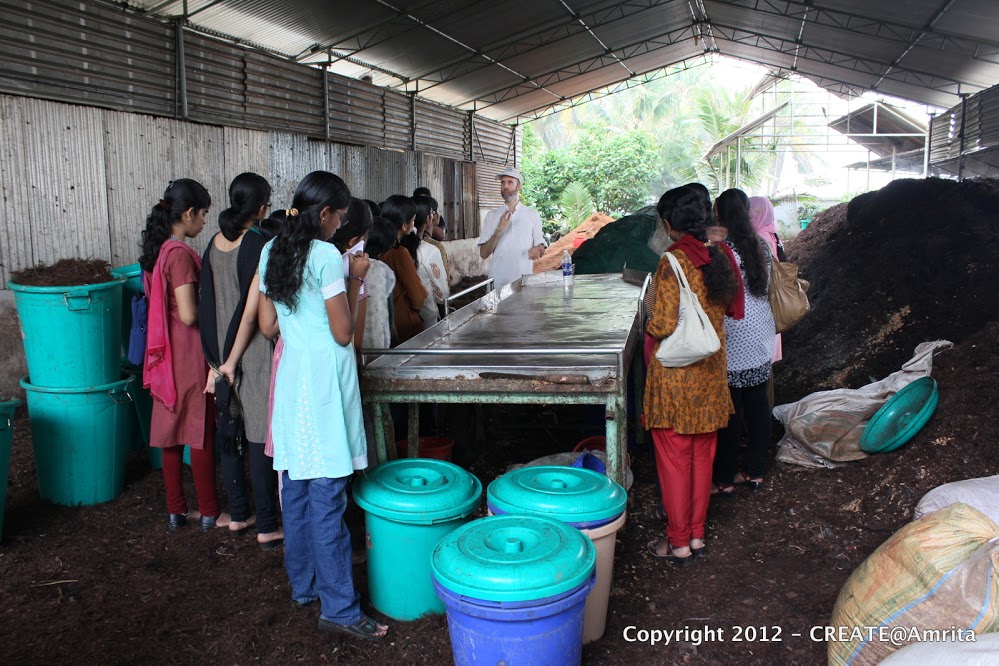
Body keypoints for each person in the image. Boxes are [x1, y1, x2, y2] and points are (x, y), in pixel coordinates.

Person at [257, 171, 388, 641]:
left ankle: (305, 587)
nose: (341, 224)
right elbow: (342, 332)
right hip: (326, 383)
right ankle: (340, 608)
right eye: (340, 215)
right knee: (327, 498)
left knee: (294, 492)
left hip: (293, 382)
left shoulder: (272, 250)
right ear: (326, 213)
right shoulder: (328, 256)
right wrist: (355, 280)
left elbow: (268, 325)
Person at [644, 186, 743, 565]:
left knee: (674, 461)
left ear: (671, 223)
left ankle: (678, 542)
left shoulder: (674, 261)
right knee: (703, 459)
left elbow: (664, 323)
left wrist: (648, 317)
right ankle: (697, 536)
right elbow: (731, 309)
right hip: (711, 374)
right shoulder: (719, 254)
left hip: (677, 379)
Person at [198, 172, 283, 549]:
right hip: (253, 353)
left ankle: (238, 513)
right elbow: (254, 314)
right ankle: (266, 523)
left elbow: (206, 306)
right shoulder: (261, 243)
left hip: (219, 355)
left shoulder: (211, 245)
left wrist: (214, 361)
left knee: (229, 435)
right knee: (259, 437)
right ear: (263, 207)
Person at [139, 179, 229, 531]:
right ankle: (209, 510)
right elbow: (190, 314)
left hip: (164, 356)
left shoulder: (159, 250)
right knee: (200, 432)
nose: (206, 221)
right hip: (189, 354)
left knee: (170, 435)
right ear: (188, 213)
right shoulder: (179, 255)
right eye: (204, 214)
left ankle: (176, 510)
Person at [711, 189, 776, 497]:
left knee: (730, 410)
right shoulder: (760, 245)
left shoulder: (722, 250)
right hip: (761, 328)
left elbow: (719, 295)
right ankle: (756, 471)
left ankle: (724, 477)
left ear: (720, 214)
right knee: (758, 403)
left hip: (734, 332)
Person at [477, 168, 545, 290]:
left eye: (510, 182)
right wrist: (498, 230)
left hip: (523, 281)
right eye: (503, 183)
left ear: (518, 186)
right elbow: (483, 254)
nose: (505, 186)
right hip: (498, 282)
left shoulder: (532, 214)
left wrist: (538, 249)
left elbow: (541, 247)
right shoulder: (492, 216)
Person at [379, 194, 427, 344]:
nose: (414, 224)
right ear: (405, 226)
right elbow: (418, 297)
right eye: (412, 221)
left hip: (383, 322)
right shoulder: (399, 253)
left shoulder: (376, 249)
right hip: (403, 324)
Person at [411, 195, 450, 327]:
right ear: (429, 219)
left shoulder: (397, 248)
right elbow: (443, 294)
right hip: (428, 320)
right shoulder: (430, 250)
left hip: (403, 319)